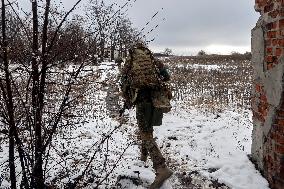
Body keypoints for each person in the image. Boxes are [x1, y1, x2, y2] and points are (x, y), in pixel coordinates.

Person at [120, 42, 173, 189]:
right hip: (155, 101)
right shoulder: (155, 61)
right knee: (147, 129)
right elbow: (167, 77)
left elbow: (123, 83)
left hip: (142, 102)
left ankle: (161, 169)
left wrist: (129, 97)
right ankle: (143, 156)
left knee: (145, 134)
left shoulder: (129, 63)